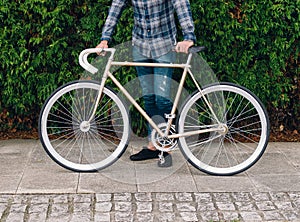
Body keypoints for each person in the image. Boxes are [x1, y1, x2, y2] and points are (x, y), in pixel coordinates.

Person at [96, 0, 196, 167]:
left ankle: (166, 147)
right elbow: (116, 7)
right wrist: (105, 39)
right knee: (149, 98)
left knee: (162, 99)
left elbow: (181, 4)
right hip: (140, 46)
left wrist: (188, 36)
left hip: (164, 46)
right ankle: (153, 145)